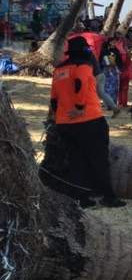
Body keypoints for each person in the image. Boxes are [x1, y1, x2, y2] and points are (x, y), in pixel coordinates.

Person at [49, 37, 126, 208]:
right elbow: (81, 84)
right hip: (89, 119)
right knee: (99, 159)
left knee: (76, 160)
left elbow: (54, 99)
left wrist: (58, 116)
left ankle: (83, 198)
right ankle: (108, 197)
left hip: (65, 123)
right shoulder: (83, 66)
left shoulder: (59, 71)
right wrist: (79, 106)